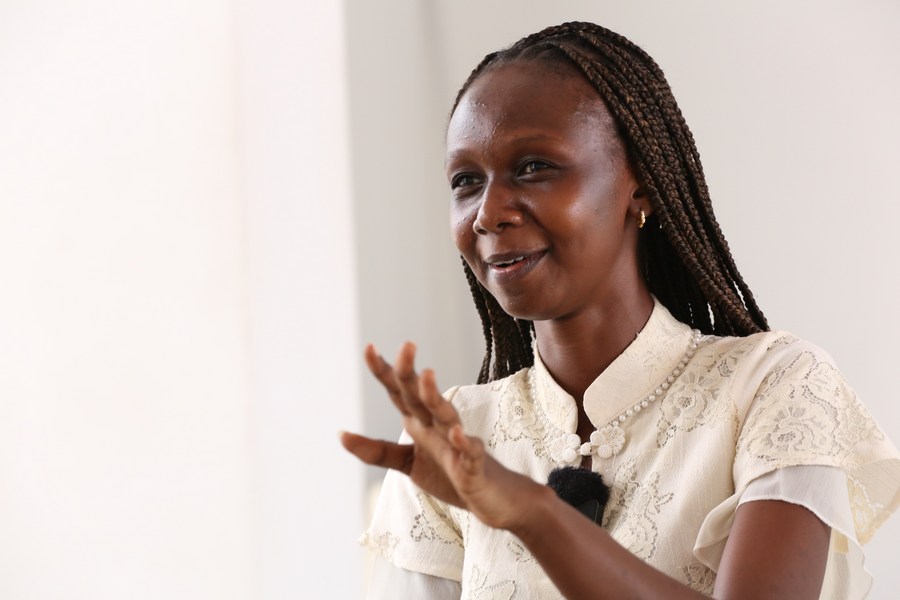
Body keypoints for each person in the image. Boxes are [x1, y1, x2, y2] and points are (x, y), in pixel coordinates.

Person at [340, 22, 900, 599]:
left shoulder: (774, 386)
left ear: (641, 185)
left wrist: (536, 515)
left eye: (533, 167)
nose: (488, 212)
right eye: (466, 181)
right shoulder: (456, 438)